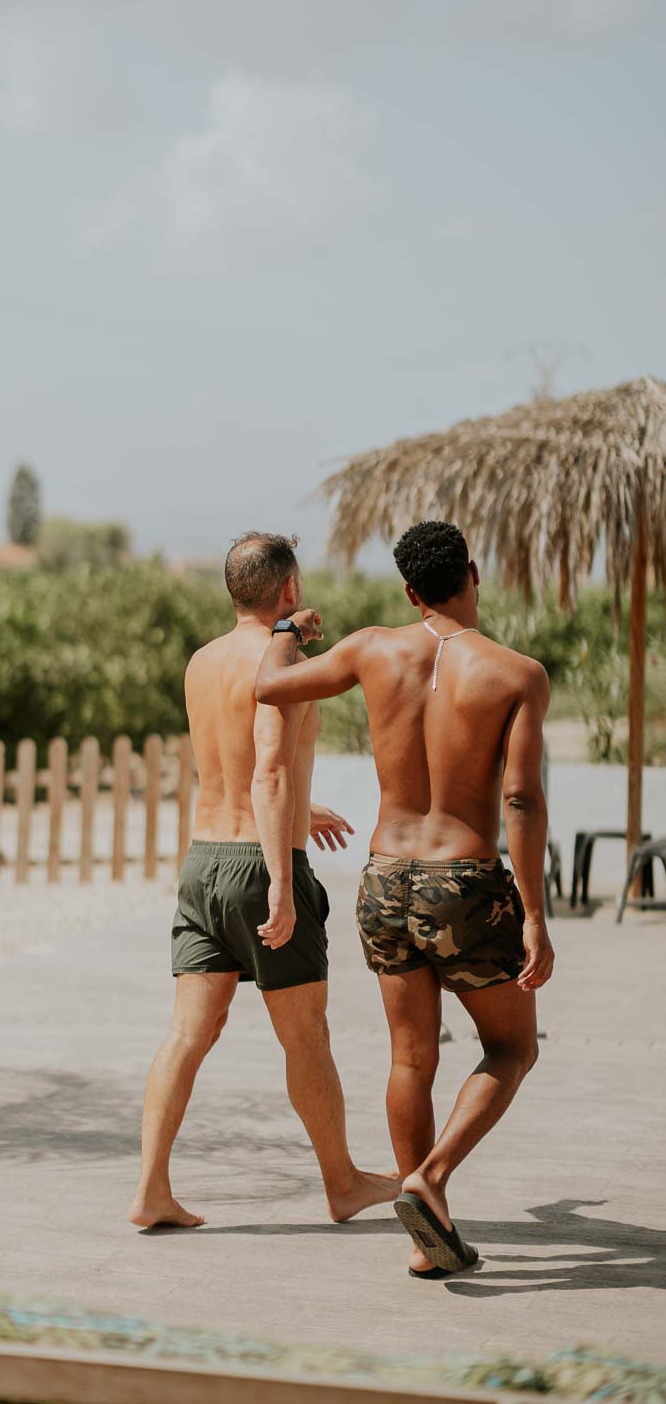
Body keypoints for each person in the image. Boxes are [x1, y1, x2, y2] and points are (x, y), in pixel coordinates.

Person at [254, 520, 554, 1277]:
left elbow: (268, 684)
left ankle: (431, 1238)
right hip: (464, 882)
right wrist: (536, 918)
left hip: (384, 878)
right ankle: (431, 1179)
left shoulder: (369, 648)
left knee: (409, 1056)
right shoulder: (516, 674)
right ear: (472, 575)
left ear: (410, 592)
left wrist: (286, 627)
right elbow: (519, 801)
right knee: (512, 1047)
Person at [128, 531, 398, 1231]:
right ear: (288, 588)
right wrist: (282, 877)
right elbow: (270, 768)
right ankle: (341, 1184)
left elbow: (232, 762)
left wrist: (301, 808)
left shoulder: (201, 661)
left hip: (203, 862)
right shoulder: (284, 662)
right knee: (305, 1035)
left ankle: (150, 1190)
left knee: (187, 1033)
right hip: (259, 863)